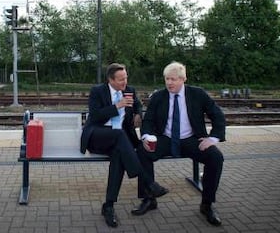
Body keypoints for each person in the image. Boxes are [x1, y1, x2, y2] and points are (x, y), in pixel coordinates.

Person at [133, 61, 226, 226]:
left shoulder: (198, 94)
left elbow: (217, 115)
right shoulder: (158, 96)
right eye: (167, 79)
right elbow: (148, 120)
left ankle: (207, 204)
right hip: (166, 138)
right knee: (141, 151)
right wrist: (146, 136)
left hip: (191, 139)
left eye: (173, 79)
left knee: (216, 157)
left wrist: (213, 139)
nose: (169, 83)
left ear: (183, 79)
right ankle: (149, 198)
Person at [80, 63, 169, 228]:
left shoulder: (130, 90)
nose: (125, 82)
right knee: (120, 136)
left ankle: (108, 206)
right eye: (121, 79)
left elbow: (137, 104)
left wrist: (137, 113)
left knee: (119, 158)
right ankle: (149, 184)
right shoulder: (97, 91)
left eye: (126, 77)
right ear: (110, 80)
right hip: (98, 136)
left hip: (119, 141)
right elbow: (96, 116)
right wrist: (117, 106)